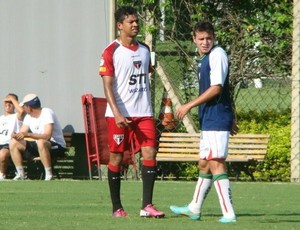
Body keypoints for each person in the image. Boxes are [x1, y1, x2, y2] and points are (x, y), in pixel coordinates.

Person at [99, 6, 165, 218]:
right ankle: (117, 208)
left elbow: (144, 76)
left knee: (150, 152)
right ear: (120, 26)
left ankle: (147, 206)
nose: (136, 25)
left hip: (144, 112)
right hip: (119, 115)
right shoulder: (111, 51)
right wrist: (117, 113)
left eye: (137, 21)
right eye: (131, 22)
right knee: (117, 157)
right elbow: (107, 85)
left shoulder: (145, 49)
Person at [169, 21, 238, 223]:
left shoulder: (217, 55)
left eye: (208, 38)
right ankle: (194, 208)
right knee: (204, 164)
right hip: (211, 118)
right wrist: (230, 116)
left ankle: (229, 213)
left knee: (216, 163)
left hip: (216, 117)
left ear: (214, 38)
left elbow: (217, 88)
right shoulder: (205, 58)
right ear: (194, 39)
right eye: (201, 39)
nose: (205, 42)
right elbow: (225, 91)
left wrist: (188, 105)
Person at [9, 93, 66, 181]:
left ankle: (49, 175)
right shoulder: (28, 117)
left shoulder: (47, 112)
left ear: (29, 107)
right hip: (39, 146)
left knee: (41, 142)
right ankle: (21, 175)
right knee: (13, 142)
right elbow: (22, 133)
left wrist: (28, 134)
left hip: (57, 146)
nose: (23, 108)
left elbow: (47, 136)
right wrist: (15, 135)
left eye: (24, 106)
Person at [0, 94, 25, 180]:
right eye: (6, 101)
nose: (8, 104)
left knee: (2, 154)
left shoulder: (17, 116)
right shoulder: (1, 118)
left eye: (11, 102)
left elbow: (21, 111)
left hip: (9, 145)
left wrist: (12, 99)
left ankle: (1, 175)